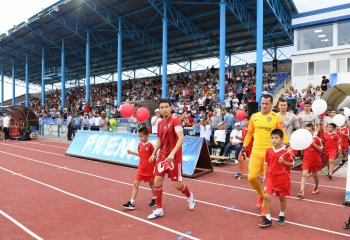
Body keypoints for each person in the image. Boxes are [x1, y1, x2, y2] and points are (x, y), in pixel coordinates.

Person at [147, 99, 195, 220]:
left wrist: (173, 154)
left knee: (176, 185)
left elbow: (181, 138)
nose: (164, 109)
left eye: (166, 107)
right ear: (159, 110)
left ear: (170, 108)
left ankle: (189, 196)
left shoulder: (176, 120)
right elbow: (159, 140)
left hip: (174, 158)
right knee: (157, 181)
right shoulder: (159, 123)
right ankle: (159, 209)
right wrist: (153, 153)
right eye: (162, 107)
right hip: (162, 156)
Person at [243, 94, 288, 217]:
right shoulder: (254, 117)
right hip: (256, 152)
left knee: (267, 182)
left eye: (266, 104)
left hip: (270, 155)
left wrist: (287, 143)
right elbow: (249, 133)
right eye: (262, 103)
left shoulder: (276, 117)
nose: (263, 106)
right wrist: (244, 145)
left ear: (271, 104)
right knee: (251, 178)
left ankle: (265, 207)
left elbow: (282, 133)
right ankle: (261, 195)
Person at [259, 129, 293, 228]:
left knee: (282, 198)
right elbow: (266, 163)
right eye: (272, 138)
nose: (274, 140)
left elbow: (292, 164)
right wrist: (265, 175)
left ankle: (282, 214)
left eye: (276, 138)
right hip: (270, 177)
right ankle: (268, 218)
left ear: (282, 139)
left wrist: (283, 162)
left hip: (282, 178)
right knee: (266, 197)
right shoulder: (268, 151)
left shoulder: (286, 152)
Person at [121, 127, 156, 210]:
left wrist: (155, 165)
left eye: (142, 136)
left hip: (150, 168)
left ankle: (155, 198)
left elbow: (154, 156)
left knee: (152, 184)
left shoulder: (150, 145)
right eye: (139, 137)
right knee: (135, 184)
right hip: (141, 167)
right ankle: (132, 202)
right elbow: (141, 154)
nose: (140, 138)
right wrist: (132, 153)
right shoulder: (139, 144)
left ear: (147, 135)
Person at [298, 124, 323, 199]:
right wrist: (302, 149)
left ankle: (316, 187)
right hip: (306, 160)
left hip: (315, 161)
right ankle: (301, 191)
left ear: (313, 130)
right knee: (304, 174)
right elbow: (302, 152)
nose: (308, 132)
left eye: (309, 131)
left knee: (315, 176)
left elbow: (321, 150)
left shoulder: (316, 139)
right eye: (306, 130)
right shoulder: (304, 139)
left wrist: (314, 144)